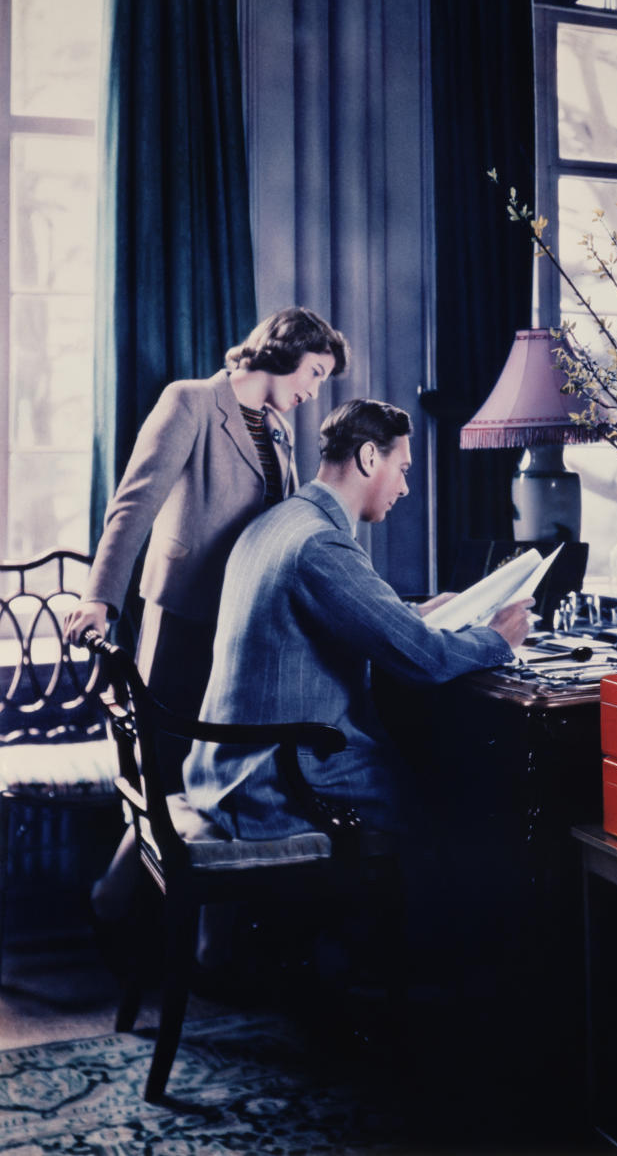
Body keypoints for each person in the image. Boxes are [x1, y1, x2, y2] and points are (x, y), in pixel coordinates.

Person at [65, 306, 350, 918]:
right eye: (315, 370)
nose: (315, 389)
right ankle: (115, 907)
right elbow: (134, 503)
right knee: (165, 772)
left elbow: (283, 528)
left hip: (243, 626)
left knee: (214, 779)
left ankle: (203, 942)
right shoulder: (190, 401)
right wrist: (99, 596)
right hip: (183, 617)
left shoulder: (279, 429)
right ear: (284, 351)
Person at [184, 397, 531, 840]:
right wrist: (498, 639)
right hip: (275, 781)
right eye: (402, 468)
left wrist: (419, 613)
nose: (405, 488)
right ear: (369, 457)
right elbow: (425, 660)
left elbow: (342, 616)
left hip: (227, 767)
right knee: (456, 803)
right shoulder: (321, 544)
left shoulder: (282, 521)